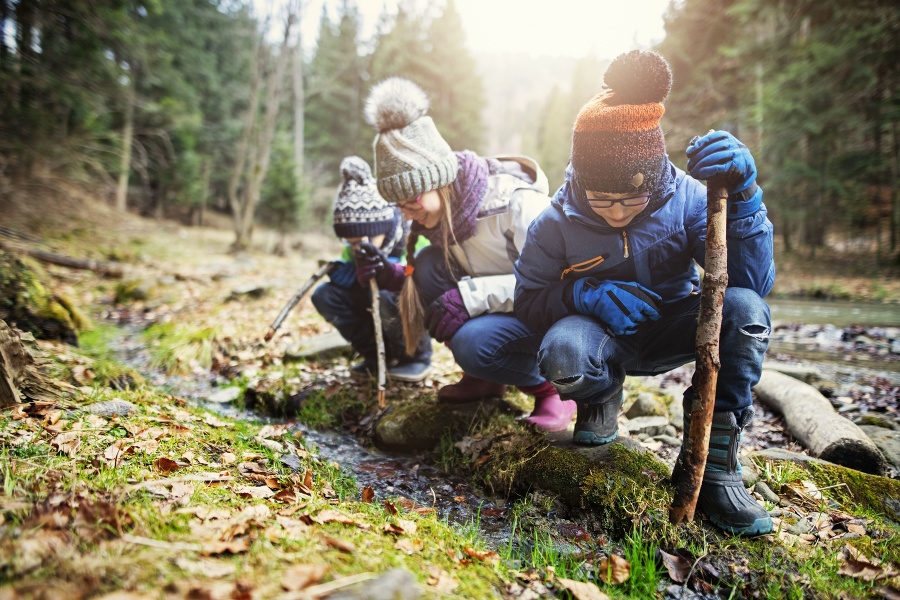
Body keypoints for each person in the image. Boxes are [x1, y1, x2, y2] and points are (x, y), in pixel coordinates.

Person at [514, 50, 775, 535]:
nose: (616, 213)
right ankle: (600, 396)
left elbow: (752, 289)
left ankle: (716, 467)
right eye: (602, 199)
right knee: (564, 351)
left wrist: (745, 201)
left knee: (746, 311)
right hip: (600, 339)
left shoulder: (691, 200)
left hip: (677, 325)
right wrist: (582, 295)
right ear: (580, 179)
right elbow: (528, 303)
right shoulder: (553, 222)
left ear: (654, 178)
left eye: (631, 198)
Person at [356, 76, 576, 432]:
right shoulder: (443, 216)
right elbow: (439, 278)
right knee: (426, 265)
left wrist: (468, 298)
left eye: (412, 200)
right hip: (503, 308)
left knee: (473, 343)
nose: (407, 213)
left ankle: (556, 389)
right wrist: (389, 273)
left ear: (437, 181)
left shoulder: (516, 203)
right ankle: (486, 379)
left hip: (549, 316)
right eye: (400, 206)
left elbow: (556, 285)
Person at [311, 156, 432, 382]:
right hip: (371, 299)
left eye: (362, 241)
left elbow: (425, 276)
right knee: (325, 295)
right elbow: (354, 276)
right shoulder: (354, 248)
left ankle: (414, 357)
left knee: (389, 297)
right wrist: (344, 272)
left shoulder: (411, 234)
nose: (357, 248)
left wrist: (393, 271)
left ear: (380, 228)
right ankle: (375, 355)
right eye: (351, 242)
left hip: (404, 299)